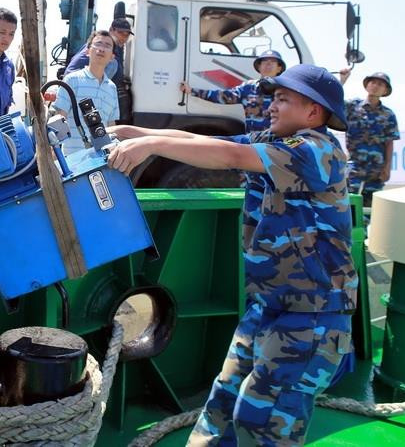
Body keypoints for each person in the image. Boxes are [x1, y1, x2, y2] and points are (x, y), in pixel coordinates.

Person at [107, 64, 356, 446]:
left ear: (313, 112)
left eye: (284, 99)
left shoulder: (315, 151)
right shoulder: (276, 143)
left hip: (311, 317)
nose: (272, 106)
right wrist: (136, 133)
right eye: (274, 97)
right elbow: (202, 143)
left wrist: (151, 147)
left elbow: (229, 157)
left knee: (263, 424)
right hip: (269, 305)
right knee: (223, 405)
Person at [180, 49, 285, 132]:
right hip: (253, 144)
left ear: (279, 68)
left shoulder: (287, 90)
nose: (268, 65)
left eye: (272, 62)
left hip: (276, 144)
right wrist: (192, 91)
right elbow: (225, 97)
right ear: (259, 67)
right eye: (264, 62)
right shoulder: (249, 87)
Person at [51, 30, 120, 156]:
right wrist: (56, 157)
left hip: (100, 160)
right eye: (98, 44)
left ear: (112, 57)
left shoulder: (112, 88)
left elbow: (111, 126)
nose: (102, 49)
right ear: (87, 51)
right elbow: (59, 119)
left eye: (107, 46)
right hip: (72, 159)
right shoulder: (72, 80)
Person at [339, 69, 400, 206]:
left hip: (376, 171)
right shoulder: (352, 106)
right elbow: (333, 102)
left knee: (371, 209)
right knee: (349, 208)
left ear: (385, 91)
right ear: (367, 85)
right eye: (373, 82)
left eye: (380, 84)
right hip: (354, 168)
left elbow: (389, 142)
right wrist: (342, 80)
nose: (376, 85)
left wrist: (387, 167)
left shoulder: (388, 115)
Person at [63, 17, 133, 84]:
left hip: (78, 80)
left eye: (126, 35)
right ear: (111, 30)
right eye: (120, 33)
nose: (123, 38)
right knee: (113, 63)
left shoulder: (113, 48)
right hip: (76, 80)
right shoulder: (104, 45)